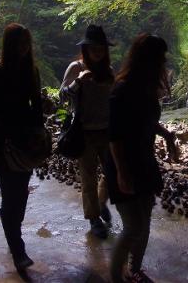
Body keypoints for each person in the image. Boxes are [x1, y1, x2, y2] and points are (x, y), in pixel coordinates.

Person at [106, 34, 178, 283]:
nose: (164, 62)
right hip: (123, 161)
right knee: (133, 226)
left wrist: (167, 135)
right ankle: (116, 277)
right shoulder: (122, 88)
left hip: (144, 160)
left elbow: (147, 121)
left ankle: (134, 270)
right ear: (148, 59)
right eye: (160, 57)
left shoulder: (146, 87)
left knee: (144, 222)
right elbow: (113, 135)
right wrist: (121, 172)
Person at [0, 23, 44, 272]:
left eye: (26, 43)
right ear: (9, 45)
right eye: (19, 43)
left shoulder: (31, 71)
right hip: (4, 143)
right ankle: (18, 250)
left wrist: (39, 135)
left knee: (19, 196)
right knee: (12, 197)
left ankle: (10, 226)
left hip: (26, 144)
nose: (24, 48)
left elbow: (37, 107)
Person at [60, 24, 115, 239]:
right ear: (86, 48)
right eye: (94, 47)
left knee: (112, 173)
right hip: (84, 132)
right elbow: (62, 97)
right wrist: (78, 82)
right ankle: (93, 219)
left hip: (107, 131)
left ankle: (101, 204)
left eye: (101, 47)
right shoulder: (75, 67)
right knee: (89, 177)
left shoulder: (109, 71)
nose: (98, 51)